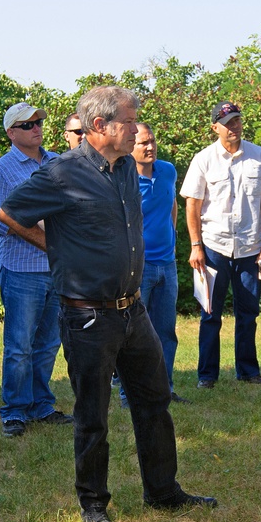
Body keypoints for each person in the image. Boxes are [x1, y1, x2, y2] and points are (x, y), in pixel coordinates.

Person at [0, 86, 216, 522]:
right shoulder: (63, 173)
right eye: (130, 121)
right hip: (87, 316)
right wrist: (57, 249)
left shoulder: (126, 170)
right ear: (100, 126)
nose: (137, 129)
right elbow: (9, 213)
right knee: (92, 414)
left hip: (133, 312)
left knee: (154, 401)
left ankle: (163, 492)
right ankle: (94, 506)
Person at [0, 102, 73, 437]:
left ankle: (40, 406)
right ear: (11, 133)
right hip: (21, 269)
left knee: (48, 343)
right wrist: (32, 227)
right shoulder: (0, 171)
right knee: (19, 345)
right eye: (27, 125)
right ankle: (14, 411)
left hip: (58, 266)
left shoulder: (58, 163)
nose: (36, 128)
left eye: (38, 122)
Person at [180, 101, 261, 389]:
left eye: (237, 121)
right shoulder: (204, 159)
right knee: (210, 313)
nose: (234, 127)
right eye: (228, 123)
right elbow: (193, 205)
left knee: (248, 312)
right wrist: (196, 245)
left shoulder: (259, 156)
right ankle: (207, 375)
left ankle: (247, 370)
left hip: (250, 247)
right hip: (213, 247)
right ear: (215, 127)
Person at [113, 123, 189, 404]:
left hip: (166, 265)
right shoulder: (123, 177)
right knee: (132, 333)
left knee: (166, 332)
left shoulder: (168, 170)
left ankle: (163, 389)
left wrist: (172, 233)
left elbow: (171, 204)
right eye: (142, 142)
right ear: (130, 147)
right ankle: (128, 393)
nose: (149, 147)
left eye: (152, 141)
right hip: (137, 268)